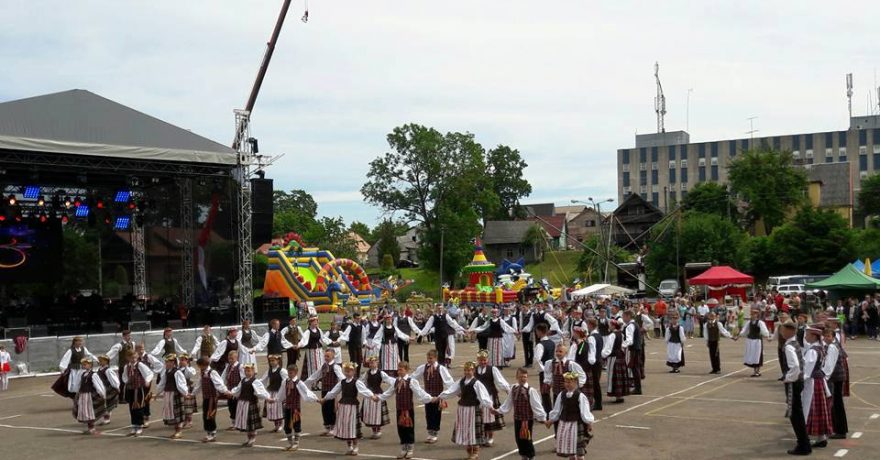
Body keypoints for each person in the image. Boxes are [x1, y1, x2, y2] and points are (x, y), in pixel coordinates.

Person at [435, 361, 495, 460]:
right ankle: (469, 453)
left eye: (469, 370)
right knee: (465, 430)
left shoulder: (477, 383)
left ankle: (475, 453)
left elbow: (483, 396)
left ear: (473, 371)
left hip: (473, 409)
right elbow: (452, 391)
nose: (467, 372)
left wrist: (490, 406)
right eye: (465, 370)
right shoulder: (461, 381)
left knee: (473, 431)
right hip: (462, 409)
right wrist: (441, 396)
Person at [321, 362, 380, 456]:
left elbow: (364, 390)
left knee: (352, 427)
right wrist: (325, 398)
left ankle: (356, 447)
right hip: (343, 407)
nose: (347, 373)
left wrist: (372, 396)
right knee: (345, 427)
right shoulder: (342, 382)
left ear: (353, 372)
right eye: (346, 371)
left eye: (349, 371)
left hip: (352, 407)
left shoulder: (356, 382)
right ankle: (349, 447)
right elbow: (333, 392)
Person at [379, 360, 434, 459]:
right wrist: (379, 398)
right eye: (398, 370)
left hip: (408, 410)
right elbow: (389, 392)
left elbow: (420, 392)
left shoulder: (411, 381)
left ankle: (410, 449)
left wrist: (430, 398)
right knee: (401, 429)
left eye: (401, 370)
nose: (399, 372)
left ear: (406, 370)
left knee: (409, 429)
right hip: (399, 409)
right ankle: (403, 448)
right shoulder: (396, 382)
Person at [496, 367, 547, 460]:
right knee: (518, 439)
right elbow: (508, 402)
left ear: (527, 377)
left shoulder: (530, 390)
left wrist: (542, 418)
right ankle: (523, 455)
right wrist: (499, 410)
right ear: (517, 377)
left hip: (527, 419)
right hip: (517, 418)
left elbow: (537, 405)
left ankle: (531, 456)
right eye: (521, 377)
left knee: (526, 438)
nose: (523, 379)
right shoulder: (513, 388)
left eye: (524, 377)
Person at [546, 372, 594, 460]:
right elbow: (557, 409)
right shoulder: (562, 394)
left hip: (576, 424)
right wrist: (551, 420)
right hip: (565, 424)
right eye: (565, 382)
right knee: (570, 451)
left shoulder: (580, 396)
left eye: (569, 382)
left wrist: (589, 422)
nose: (567, 384)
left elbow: (585, 411)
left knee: (579, 452)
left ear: (575, 382)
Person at [411, 349, 454, 444]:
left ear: (435, 358)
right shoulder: (423, 367)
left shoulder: (441, 368)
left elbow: (448, 380)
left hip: (438, 396)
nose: (429, 360)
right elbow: (413, 377)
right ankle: (430, 432)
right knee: (428, 414)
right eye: (428, 358)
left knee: (436, 414)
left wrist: (454, 390)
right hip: (427, 396)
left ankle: (435, 433)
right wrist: (407, 381)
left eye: (431, 358)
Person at [780, 321, 810, 456]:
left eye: (783, 330)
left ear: (790, 331)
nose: (782, 332)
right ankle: (804, 443)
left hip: (793, 382)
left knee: (795, 413)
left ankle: (803, 444)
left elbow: (796, 366)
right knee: (796, 411)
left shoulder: (789, 347)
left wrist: (788, 378)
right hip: (798, 381)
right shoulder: (795, 343)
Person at [802, 324, 833, 448]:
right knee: (820, 409)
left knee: (811, 408)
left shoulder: (813, 351)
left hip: (813, 382)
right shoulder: (820, 348)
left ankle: (806, 438)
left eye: (807, 334)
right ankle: (821, 437)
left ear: (814, 336)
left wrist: (799, 379)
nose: (805, 336)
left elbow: (807, 370)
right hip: (819, 381)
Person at [229, 363, 273, 447]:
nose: (247, 372)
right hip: (242, 403)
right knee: (246, 423)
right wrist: (231, 393)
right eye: (246, 371)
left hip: (250, 404)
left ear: (253, 371)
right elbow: (238, 390)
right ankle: (249, 438)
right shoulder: (243, 380)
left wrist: (267, 398)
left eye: (249, 371)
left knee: (251, 423)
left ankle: (252, 438)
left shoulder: (255, 381)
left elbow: (260, 391)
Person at [304, 348, 345, 436]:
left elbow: (341, 377)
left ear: (333, 356)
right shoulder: (323, 366)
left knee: (332, 409)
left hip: (332, 391)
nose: (326, 358)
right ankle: (327, 427)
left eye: (328, 356)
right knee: (325, 409)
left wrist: (345, 384)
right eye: (325, 356)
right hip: (324, 390)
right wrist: (304, 384)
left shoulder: (336, 366)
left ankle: (333, 428)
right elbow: (314, 376)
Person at [475, 349, 511, 447]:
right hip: (478, 398)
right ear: (478, 360)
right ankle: (482, 436)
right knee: (480, 419)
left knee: (489, 418)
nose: (483, 362)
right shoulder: (474, 369)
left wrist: (507, 389)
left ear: (487, 360)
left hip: (490, 396)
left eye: (484, 360)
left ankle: (490, 437)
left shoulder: (492, 369)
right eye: (481, 360)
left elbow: (500, 380)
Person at [280, 362, 319, 451]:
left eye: (291, 373)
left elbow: (307, 392)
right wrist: (276, 400)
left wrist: (316, 399)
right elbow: (281, 393)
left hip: (295, 408)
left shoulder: (299, 383)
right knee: (287, 426)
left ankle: (296, 443)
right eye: (289, 373)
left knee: (296, 424)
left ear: (295, 373)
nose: (289, 374)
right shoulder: (285, 382)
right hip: (287, 407)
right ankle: (290, 443)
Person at [542, 344, 586, 420]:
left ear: (566, 353)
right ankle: (556, 421)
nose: (558, 353)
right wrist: (549, 382)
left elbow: (581, 374)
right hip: (556, 391)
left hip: (567, 391)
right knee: (557, 408)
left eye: (560, 351)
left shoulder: (571, 364)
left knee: (567, 408)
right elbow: (547, 374)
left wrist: (578, 385)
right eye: (556, 351)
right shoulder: (550, 363)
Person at [191, 357, 230, 443]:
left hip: (212, 397)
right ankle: (209, 432)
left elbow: (219, 383)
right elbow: (199, 385)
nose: (199, 368)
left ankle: (212, 433)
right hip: (206, 397)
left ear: (203, 365)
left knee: (210, 415)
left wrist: (225, 391)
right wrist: (193, 394)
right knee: (205, 415)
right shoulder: (203, 373)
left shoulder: (212, 373)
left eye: (199, 366)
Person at [155, 354, 190, 439]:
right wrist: (157, 393)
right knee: (172, 413)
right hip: (168, 394)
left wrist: (185, 393)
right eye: (166, 362)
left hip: (175, 394)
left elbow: (181, 384)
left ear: (173, 363)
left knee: (176, 413)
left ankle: (179, 431)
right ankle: (176, 430)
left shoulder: (177, 372)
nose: (166, 364)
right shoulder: (166, 372)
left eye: (168, 362)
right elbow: (162, 383)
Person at [822, 327, 848, 440]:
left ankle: (840, 430)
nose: (826, 338)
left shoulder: (832, 347)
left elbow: (829, 365)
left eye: (828, 336)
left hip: (836, 378)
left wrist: (825, 377)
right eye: (825, 336)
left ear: (833, 337)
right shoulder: (833, 345)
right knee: (836, 403)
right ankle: (837, 428)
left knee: (837, 404)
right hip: (837, 377)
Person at [122, 350, 154, 437]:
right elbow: (124, 376)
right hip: (130, 389)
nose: (134, 359)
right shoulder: (127, 366)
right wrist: (126, 381)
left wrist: (147, 381)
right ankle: (134, 426)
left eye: (135, 357)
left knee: (138, 407)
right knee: (131, 408)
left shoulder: (140, 365)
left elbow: (149, 373)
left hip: (139, 389)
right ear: (128, 358)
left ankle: (139, 426)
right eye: (132, 358)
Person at [70, 358, 106, 434]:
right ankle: (90, 428)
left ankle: (92, 428)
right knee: (84, 411)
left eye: (85, 364)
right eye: (83, 365)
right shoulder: (82, 374)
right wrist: (77, 392)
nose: (84, 366)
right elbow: (78, 384)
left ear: (90, 365)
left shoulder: (93, 374)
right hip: (82, 395)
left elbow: (98, 385)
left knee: (90, 411)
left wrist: (102, 393)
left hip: (89, 395)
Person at [361, 356, 393, 439]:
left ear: (377, 363)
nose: (371, 364)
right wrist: (365, 390)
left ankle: (378, 430)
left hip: (378, 394)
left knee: (377, 414)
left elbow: (389, 380)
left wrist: (396, 382)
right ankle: (373, 430)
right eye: (370, 363)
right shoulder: (367, 373)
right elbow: (362, 382)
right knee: (370, 413)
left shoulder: (381, 373)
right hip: (370, 395)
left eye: (373, 363)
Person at [738, 308, 771, 377]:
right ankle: (755, 371)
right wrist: (738, 336)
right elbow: (744, 331)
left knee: (758, 355)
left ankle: (757, 371)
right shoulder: (749, 322)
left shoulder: (760, 322)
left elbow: (764, 331)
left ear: (757, 315)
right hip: (750, 340)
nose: (753, 315)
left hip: (757, 341)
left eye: (754, 314)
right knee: (752, 355)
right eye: (752, 314)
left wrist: (767, 336)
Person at [376, 313, 410, 378]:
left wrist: (408, 338)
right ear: (385, 320)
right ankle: (386, 374)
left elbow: (400, 334)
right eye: (388, 319)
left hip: (393, 346)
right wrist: (376, 345)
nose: (389, 321)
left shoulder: (394, 327)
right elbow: (377, 336)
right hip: (385, 346)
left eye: (390, 319)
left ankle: (395, 373)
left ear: (392, 320)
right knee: (386, 359)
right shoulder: (382, 328)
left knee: (394, 359)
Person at [260, 354, 288, 432]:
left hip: (279, 392)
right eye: (270, 361)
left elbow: (285, 381)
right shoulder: (269, 371)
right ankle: (276, 425)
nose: (272, 362)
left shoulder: (282, 371)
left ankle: (280, 424)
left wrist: (283, 392)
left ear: (278, 361)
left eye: (273, 360)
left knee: (278, 409)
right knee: (272, 409)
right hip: (271, 392)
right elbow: (263, 380)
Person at [603, 320, 629, 403]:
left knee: (614, 376)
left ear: (614, 326)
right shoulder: (621, 334)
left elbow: (608, 349)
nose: (609, 326)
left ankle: (618, 395)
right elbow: (623, 345)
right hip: (620, 356)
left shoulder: (612, 335)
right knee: (620, 376)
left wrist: (602, 355)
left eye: (610, 325)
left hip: (614, 357)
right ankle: (620, 396)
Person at [621, 310, 644, 394]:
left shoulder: (630, 326)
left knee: (634, 368)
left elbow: (629, 340)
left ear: (628, 316)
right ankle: (637, 388)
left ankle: (638, 389)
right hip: (637, 348)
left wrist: (622, 346)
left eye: (624, 316)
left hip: (633, 349)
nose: (623, 318)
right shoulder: (635, 324)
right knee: (635, 368)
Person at [220, 350, 244, 430]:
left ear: (236, 358)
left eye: (232, 359)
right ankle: (233, 423)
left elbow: (242, 379)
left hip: (237, 391)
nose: (230, 360)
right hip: (229, 390)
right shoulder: (228, 367)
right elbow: (223, 377)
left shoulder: (240, 366)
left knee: (237, 407)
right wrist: (223, 388)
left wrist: (236, 390)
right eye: (229, 359)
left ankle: (238, 423)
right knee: (231, 406)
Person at [297, 315, 325, 382]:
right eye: (314, 322)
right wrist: (298, 345)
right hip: (311, 350)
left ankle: (317, 381)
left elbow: (323, 338)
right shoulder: (308, 331)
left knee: (320, 365)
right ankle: (312, 382)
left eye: (316, 321)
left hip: (319, 350)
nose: (316, 323)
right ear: (310, 322)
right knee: (313, 366)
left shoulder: (319, 330)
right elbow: (304, 340)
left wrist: (331, 342)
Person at [95, 355, 120, 425]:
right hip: (102, 388)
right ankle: (104, 417)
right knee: (103, 403)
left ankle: (107, 418)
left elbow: (114, 379)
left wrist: (116, 387)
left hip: (108, 389)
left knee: (107, 404)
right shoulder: (100, 369)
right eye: (99, 360)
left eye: (101, 360)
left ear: (106, 362)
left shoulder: (108, 370)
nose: (99, 362)